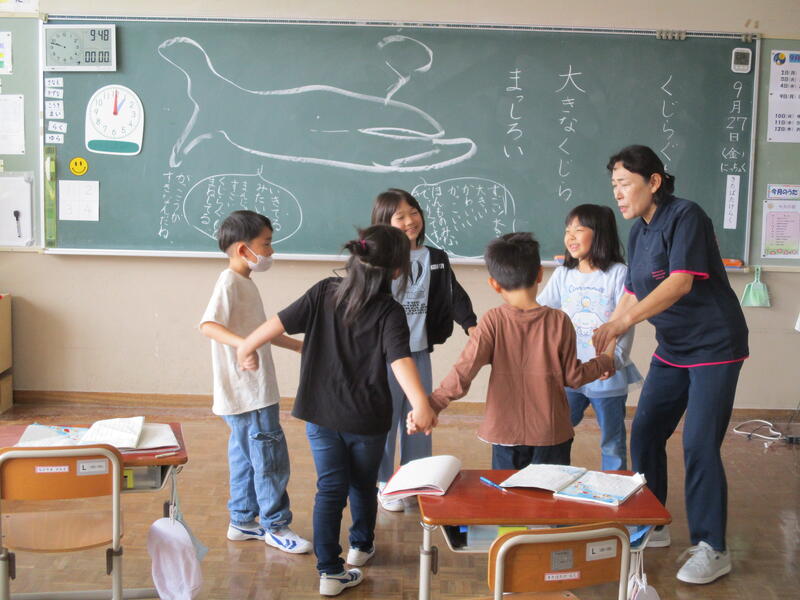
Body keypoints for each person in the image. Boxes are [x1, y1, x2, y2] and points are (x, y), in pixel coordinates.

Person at [237, 224, 437, 597]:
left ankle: (329, 571)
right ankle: (361, 546)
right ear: (397, 270)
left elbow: (275, 325)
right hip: (367, 419)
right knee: (362, 483)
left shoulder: (323, 291)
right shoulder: (389, 311)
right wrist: (421, 403)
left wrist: (246, 347)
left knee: (329, 489)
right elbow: (400, 361)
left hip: (321, 415)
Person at [592, 145, 749, 585]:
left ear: (654, 181)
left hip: (716, 344)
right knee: (645, 431)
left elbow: (680, 282)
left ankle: (712, 547)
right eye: (614, 185)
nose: (618, 194)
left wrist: (622, 322)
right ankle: (652, 520)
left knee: (698, 443)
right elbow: (632, 291)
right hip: (674, 347)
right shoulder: (639, 232)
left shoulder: (686, 216)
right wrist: (610, 342)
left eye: (625, 184)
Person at [418, 232, 615, 468]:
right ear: (540, 274)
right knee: (550, 492)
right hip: (550, 433)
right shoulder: (559, 321)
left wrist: (433, 404)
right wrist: (605, 361)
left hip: (505, 433)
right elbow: (574, 377)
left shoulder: (492, 320)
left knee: (506, 492)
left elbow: (464, 370)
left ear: (494, 284)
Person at [199, 210, 311, 554]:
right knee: (269, 458)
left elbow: (262, 331)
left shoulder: (245, 282)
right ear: (242, 249)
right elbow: (208, 325)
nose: (271, 251)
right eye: (266, 244)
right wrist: (243, 347)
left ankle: (242, 520)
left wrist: (299, 346)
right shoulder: (229, 282)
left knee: (246, 457)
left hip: (248, 392)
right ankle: (276, 525)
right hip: (249, 392)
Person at [370, 188, 477, 511]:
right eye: (400, 216)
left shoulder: (436, 258)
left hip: (418, 351)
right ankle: (384, 483)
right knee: (385, 420)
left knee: (420, 415)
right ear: (384, 222)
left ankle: (414, 479)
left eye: (413, 212)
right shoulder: (377, 260)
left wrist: (472, 326)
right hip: (385, 356)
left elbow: (455, 296)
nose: (409, 221)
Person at [537, 204, 642, 471]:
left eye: (579, 229)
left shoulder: (619, 274)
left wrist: (612, 360)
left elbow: (623, 324)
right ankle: (551, 478)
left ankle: (614, 485)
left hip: (606, 372)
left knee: (611, 441)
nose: (570, 236)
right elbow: (540, 312)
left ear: (600, 234)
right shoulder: (563, 274)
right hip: (570, 372)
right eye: (567, 230)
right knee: (557, 431)